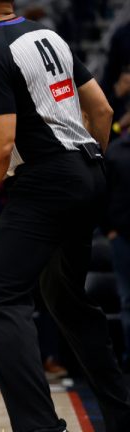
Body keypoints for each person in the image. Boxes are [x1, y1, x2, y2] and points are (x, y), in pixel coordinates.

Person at [0, 0, 130, 430]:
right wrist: (84, 175)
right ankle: (122, 414)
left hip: (46, 181)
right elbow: (103, 111)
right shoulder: (48, 35)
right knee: (67, 301)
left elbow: (0, 144)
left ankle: (39, 427)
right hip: (88, 171)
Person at [106, 134, 130, 369]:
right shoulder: (115, 151)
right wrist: (109, 229)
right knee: (127, 299)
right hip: (123, 236)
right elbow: (103, 192)